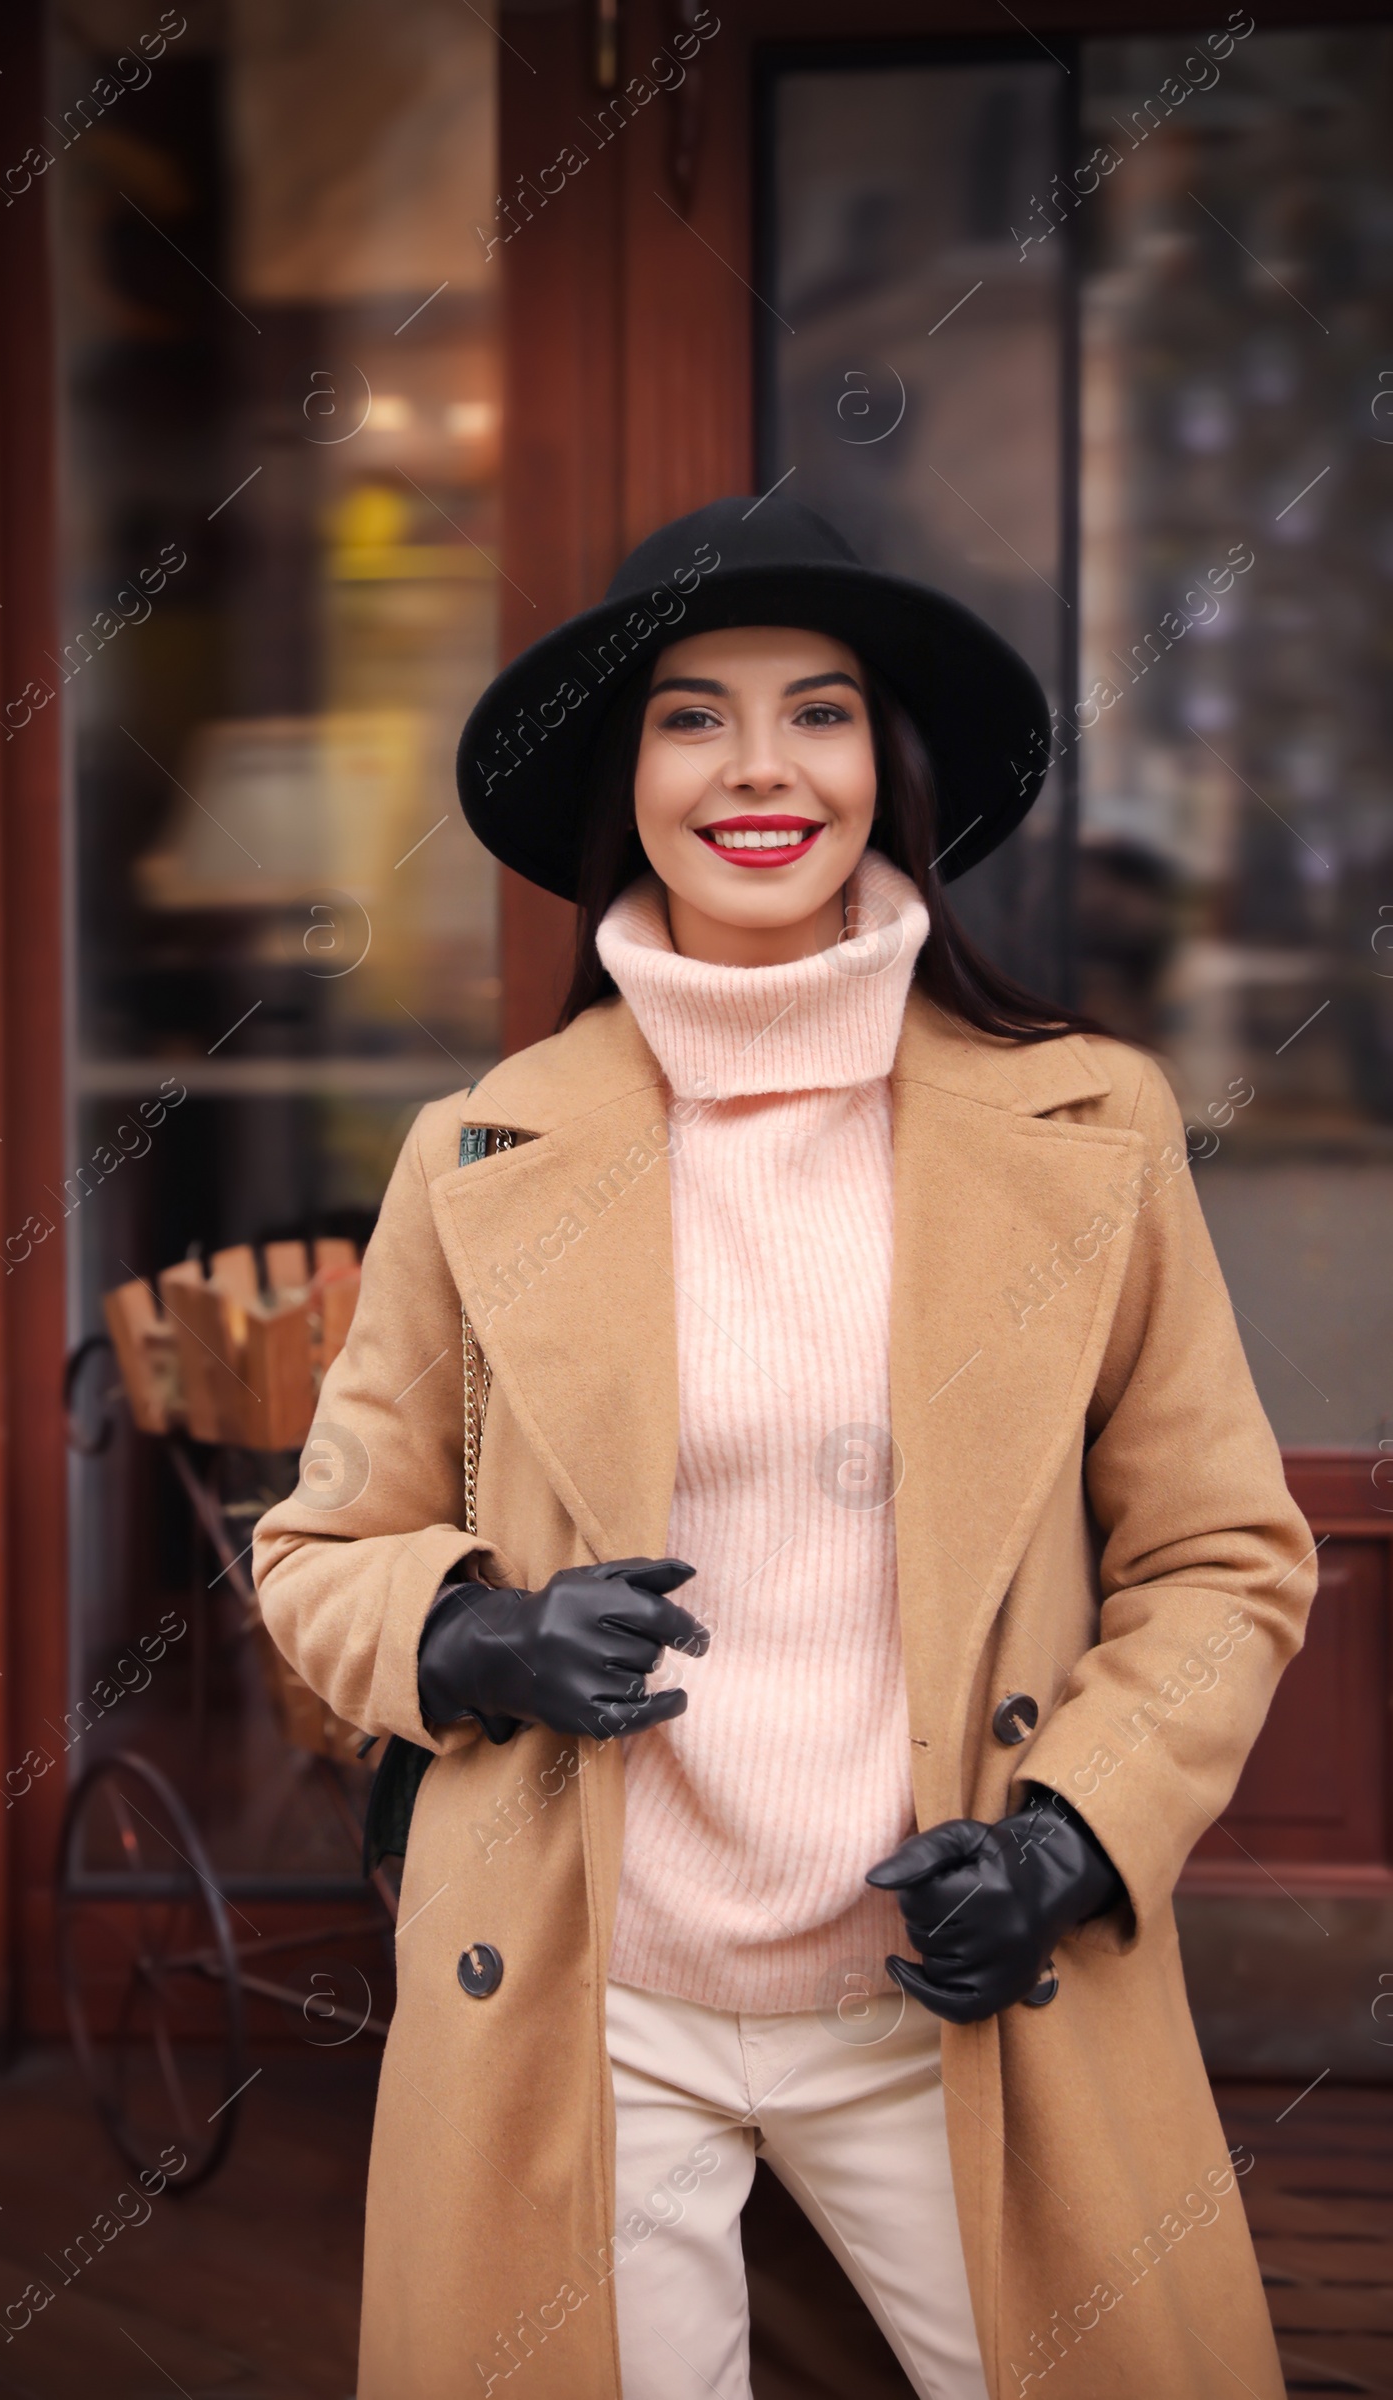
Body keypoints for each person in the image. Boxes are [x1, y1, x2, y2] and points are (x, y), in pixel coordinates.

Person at [253, 497, 1313, 2400]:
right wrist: (474, 1637)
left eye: (818, 714)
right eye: (690, 717)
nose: (759, 769)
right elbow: (323, 1550)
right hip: (594, 1995)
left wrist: (1074, 1835)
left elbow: (1223, 1557)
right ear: (623, 780)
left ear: (887, 770)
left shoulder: (1091, 1126)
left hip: (949, 1982)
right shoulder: (482, 1152)